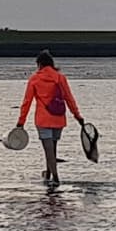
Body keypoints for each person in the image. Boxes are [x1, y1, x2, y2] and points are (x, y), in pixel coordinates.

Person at [14, 50, 86, 186]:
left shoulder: (34, 79)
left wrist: (21, 122)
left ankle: (56, 178)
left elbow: (27, 102)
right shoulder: (60, 78)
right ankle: (48, 174)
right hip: (58, 118)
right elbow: (69, 99)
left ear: (39, 64)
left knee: (48, 151)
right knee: (53, 149)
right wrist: (78, 116)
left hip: (43, 119)